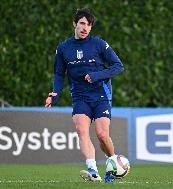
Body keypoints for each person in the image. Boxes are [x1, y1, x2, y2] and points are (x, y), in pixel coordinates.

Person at [45, 8, 124, 183]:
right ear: (75, 24)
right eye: (82, 23)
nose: (85, 28)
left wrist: (96, 75)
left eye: (88, 25)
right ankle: (93, 170)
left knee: (102, 135)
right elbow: (59, 74)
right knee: (81, 129)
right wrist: (55, 94)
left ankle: (113, 165)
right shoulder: (64, 48)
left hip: (101, 95)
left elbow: (118, 66)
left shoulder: (99, 44)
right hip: (80, 96)